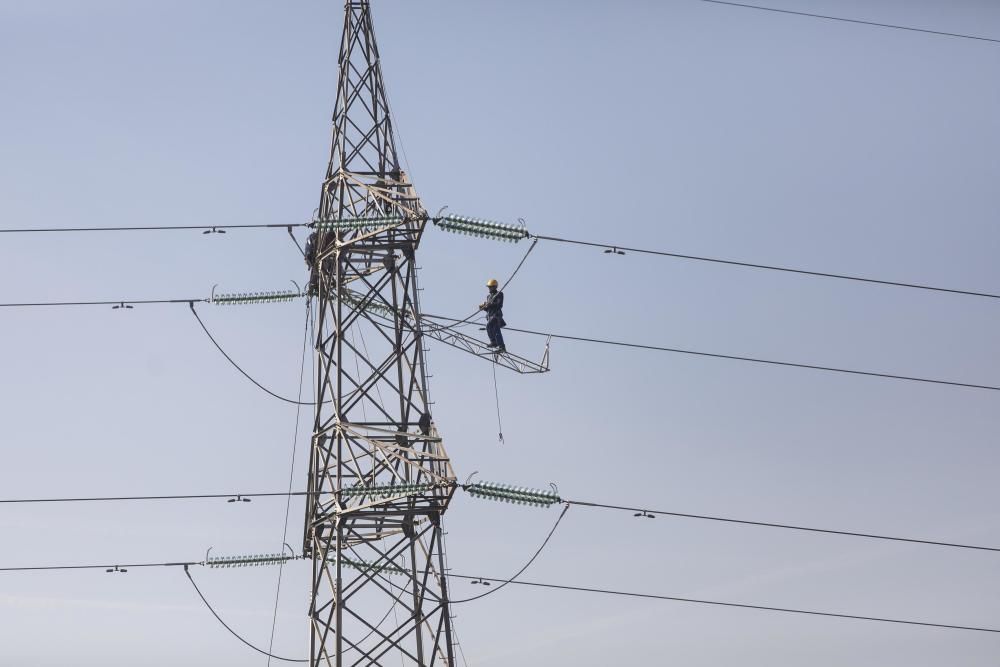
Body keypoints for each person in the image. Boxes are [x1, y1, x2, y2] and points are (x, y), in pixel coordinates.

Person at [479, 278, 506, 353]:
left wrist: (489, 304)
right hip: (490, 315)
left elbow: (499, 305)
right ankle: (497, 344)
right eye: (489, 287)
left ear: (495, 287)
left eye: (491, 287)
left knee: (489, 326)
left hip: (496, 315)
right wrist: (484, 307)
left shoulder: (499, 294)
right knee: (494, 329)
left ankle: (498, 344)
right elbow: (488, 309)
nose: (489, 289)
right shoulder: (488, 297)